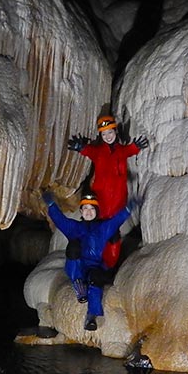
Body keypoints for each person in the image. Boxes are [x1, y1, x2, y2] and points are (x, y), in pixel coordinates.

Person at [67, 113, 149, 269]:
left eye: (110, 132)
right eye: (104, 134)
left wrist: (136, 146)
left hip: (117, 203)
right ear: (101, 135)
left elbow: (129, 151)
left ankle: (109, 266)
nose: (108, 136)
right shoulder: (98, 152)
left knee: (113, 235)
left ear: (115, 132)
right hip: (101, 203)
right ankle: (91, 262)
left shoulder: (121, 151)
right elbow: (88, 151)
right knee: (97, 233)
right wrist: (81, 147)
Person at [43, 191, 132, 331]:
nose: (88, 212)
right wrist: (51, 205)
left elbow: (116, 221)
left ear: (96, 211)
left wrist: (127, 210)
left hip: (95, 266)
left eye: (92, 209)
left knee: (95, 278)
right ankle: (78, 285)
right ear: (81, 211)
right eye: (85, 209)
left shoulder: (102, 228)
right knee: (73, 246)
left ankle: (91, 316)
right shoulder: (74, 228)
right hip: (77, 266)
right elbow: (60, 220)